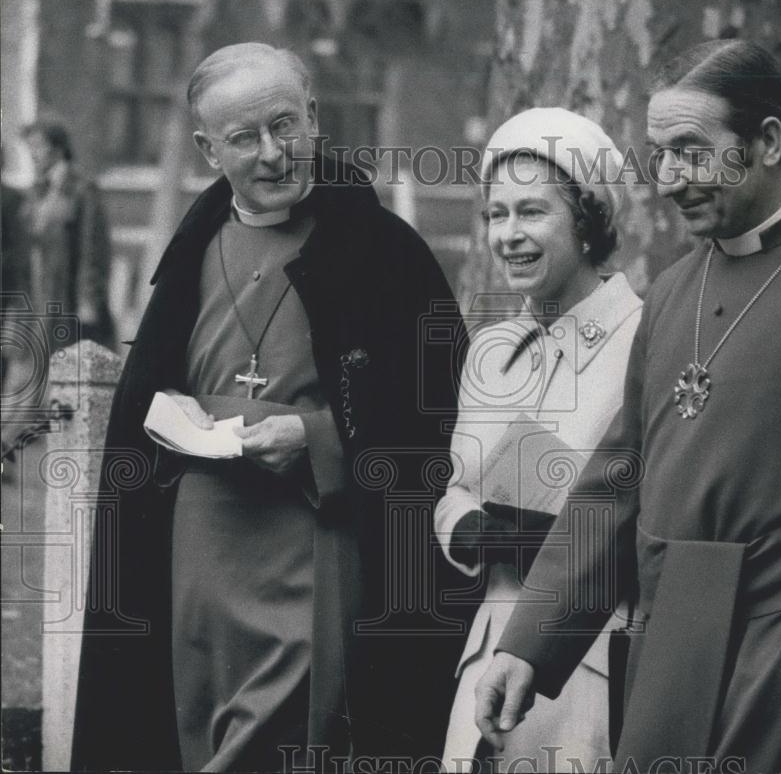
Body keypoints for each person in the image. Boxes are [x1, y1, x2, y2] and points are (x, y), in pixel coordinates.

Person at [474, 39, 781, 772]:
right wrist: (528, 643)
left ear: (767, 141)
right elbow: (617, 482)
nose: (670, 178)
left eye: (692, 152)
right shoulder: (674, 289)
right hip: (661, 669)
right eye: (660, 154)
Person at [71, 42, 468, 772]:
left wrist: (320, 440)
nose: (273, 154)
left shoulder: (385, 252)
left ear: (315, 116)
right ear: (206, 148)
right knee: (189, 731)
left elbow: (439, 421)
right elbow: (146, 413)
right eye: (244, 138)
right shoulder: (190, 253)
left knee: (285, 741)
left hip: (314, 544)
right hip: (194, 550)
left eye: (285, 125)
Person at [435, 108, 642, 772]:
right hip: (487, 651)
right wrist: (471, 532)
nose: (508, 235)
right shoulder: (494, 352)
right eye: (497, 215)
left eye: (531, 212)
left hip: (587, 663)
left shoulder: (646, 341)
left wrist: (546, 534)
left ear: (587, 220)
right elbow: (455, 489)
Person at [19, 119, 115, 347]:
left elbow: (92, 247)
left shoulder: (81, 189)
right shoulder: (36, 191)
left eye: (38, 147)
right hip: (38, 297)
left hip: (68, 297)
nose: (32, 154)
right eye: (29, 147)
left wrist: (88, 300)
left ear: (58, 149)